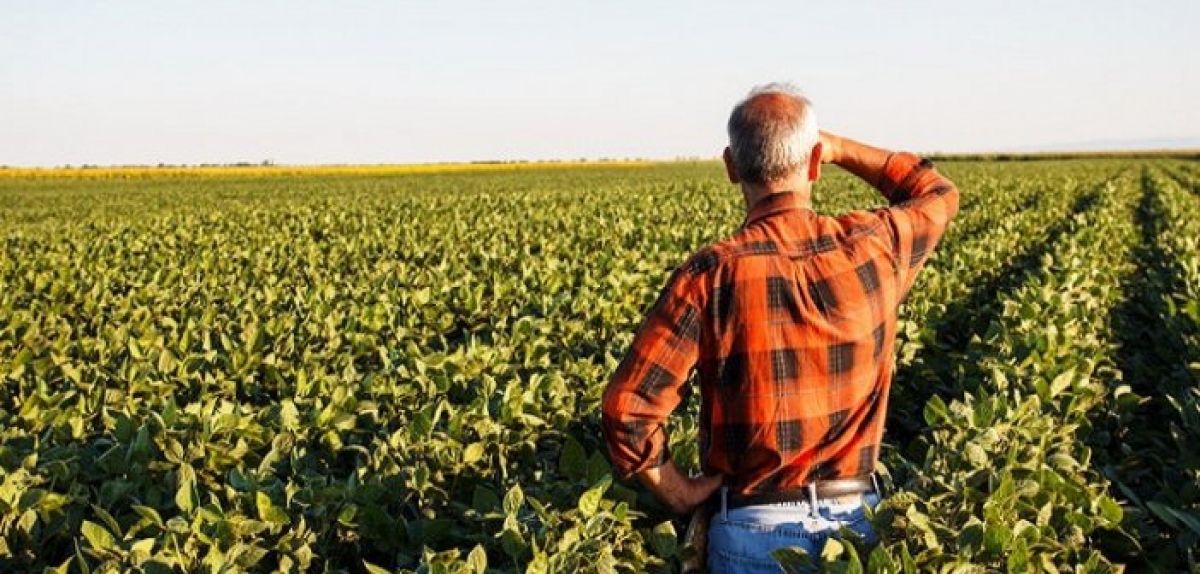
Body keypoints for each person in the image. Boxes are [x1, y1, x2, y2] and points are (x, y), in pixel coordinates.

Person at [600, 83, 959, 571]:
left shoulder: (709, 275)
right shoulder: (875, 245)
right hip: (856, 529)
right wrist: (838, 148)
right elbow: (935, 191)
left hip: (749, 530)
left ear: (731, 167)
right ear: (814, 164)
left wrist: (678, 491)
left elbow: (628, 408)